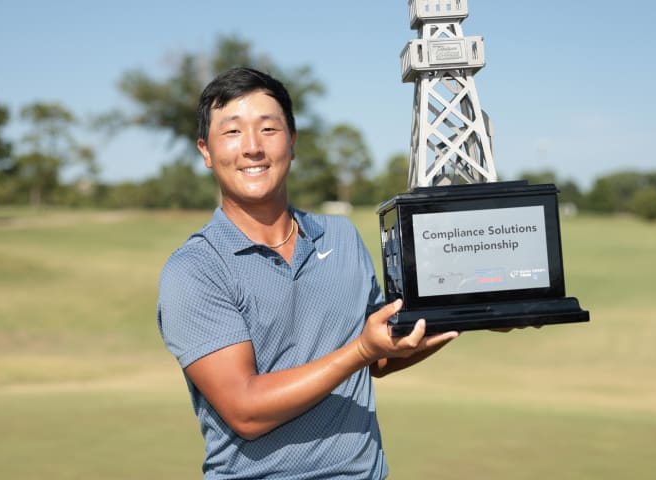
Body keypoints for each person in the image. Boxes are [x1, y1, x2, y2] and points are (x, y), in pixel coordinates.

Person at [157, 67, 458, 479]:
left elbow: (381, 352)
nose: (252, 148)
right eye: (231, 132)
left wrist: (474, 308)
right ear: (205, 151)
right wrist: (362, 351)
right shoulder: (195, 269)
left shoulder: (342, 236)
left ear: (292, 143)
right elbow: (245, 410)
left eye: (268, 129)